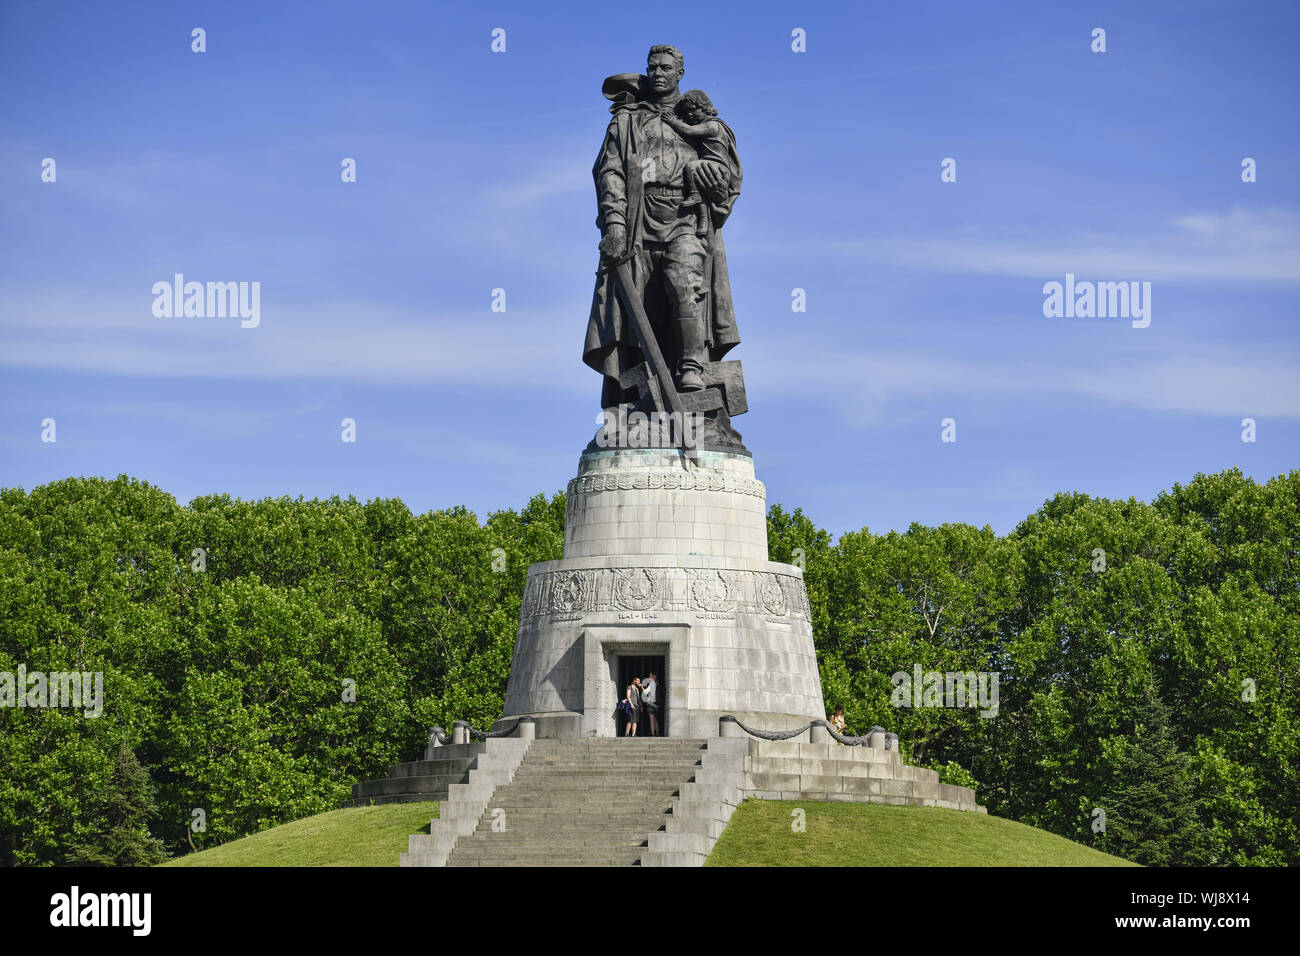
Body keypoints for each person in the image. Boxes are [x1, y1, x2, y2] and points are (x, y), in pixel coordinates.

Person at [586, 44, 743, 401]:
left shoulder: (697, 119)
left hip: (685, 218)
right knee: (639, 308)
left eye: (665, 68)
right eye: (652, 67)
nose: (657, 73)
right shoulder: (626, 121)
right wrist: (614, 224)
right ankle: (643, 391)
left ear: (679, 74)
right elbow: (610, 173)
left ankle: (691, 367)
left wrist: (711, 176)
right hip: (638, 222)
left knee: (684, 283)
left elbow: (728, 173)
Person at [662, 90, 734, 239]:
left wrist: (673, 122)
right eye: (686, 112)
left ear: (704, 107)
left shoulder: (713, 125)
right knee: (702, 194)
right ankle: (703, 220)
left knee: (691, 167)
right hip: (709, 167)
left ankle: (694, 195)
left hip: (717, 168)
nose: (690, 115)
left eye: (693, 110)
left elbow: (689, 131)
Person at [642, 671, 660, 736]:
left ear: (654, 677)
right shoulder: (658, 684)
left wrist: (641, 687)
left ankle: (653, 733)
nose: (649, 677)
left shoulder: (651, 684)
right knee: (656, 719)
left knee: (651, 719)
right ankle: (657, 733)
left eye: (650, 676)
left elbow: (645, 692)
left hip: (651, 704)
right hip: (657, 704)